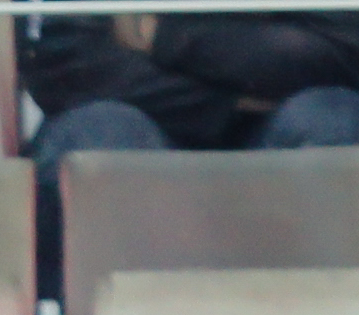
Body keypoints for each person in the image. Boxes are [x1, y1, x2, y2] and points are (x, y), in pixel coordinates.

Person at [22, 13, 359, 297]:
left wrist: (162, 36)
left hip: (289, 124)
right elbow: (67, 62)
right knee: (99, 138)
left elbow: (345, 51)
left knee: (330, 124)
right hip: (141, 118)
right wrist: (229, 105)